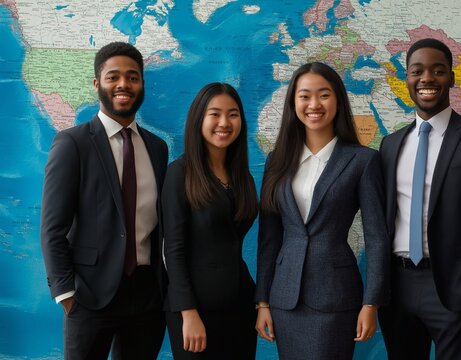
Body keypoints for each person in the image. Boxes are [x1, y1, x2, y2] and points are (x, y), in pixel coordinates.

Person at [377, 38, 461, 359]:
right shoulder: (390, 145)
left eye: (438, 70)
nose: (427, 79)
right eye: (416, 71)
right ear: (406, 78)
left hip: (455, 287)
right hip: (398, 289)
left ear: (451, 77)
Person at [40, 42, 168, 359]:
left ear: (142, 84)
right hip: (89, 296)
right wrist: (66, 293)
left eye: (132, 77)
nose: (123, 84)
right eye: (113, 77)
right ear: (98, 84)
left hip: (146, 298)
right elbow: (52, 228)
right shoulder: (72, 143)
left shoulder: (157, 148)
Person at [254, 62, 389, 359]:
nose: (314, 104)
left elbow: (377, 237)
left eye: (324, 95)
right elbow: (269, 237)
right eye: (304, 96)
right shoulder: (277, 160)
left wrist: (371, 303)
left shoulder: (362, 160)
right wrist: (262, 301)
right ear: (293, 103)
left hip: (335, 298)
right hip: (285, 299)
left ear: (338, 100)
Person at [162, 82, 259, 359]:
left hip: (240, 306)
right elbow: (174, 250)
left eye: (233, 114)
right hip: (194, 310)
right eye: (214, 114)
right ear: (198, 119)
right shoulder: (179, 173)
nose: (224, 123)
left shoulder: (243, 177)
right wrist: (188, 313)